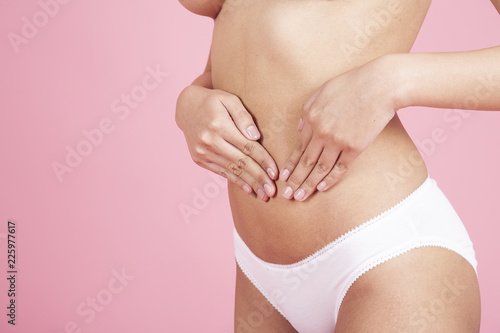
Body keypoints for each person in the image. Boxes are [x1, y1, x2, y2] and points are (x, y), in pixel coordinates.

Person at [176, 0, 500, 331]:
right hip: (259, 279)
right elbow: (249, 39)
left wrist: (392, 80)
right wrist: (190, 101)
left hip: (386, 256)